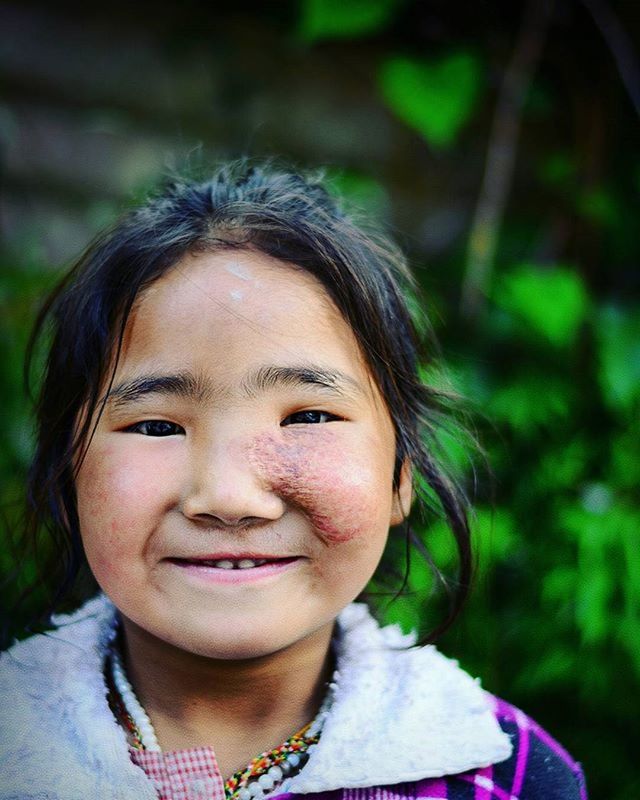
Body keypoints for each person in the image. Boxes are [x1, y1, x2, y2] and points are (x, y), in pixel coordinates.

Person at [0, 162, 587, 800]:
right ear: (66, 479)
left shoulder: (508, 773)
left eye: (307, 416)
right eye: (158, 426)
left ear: (400, 476)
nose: (229, 498)